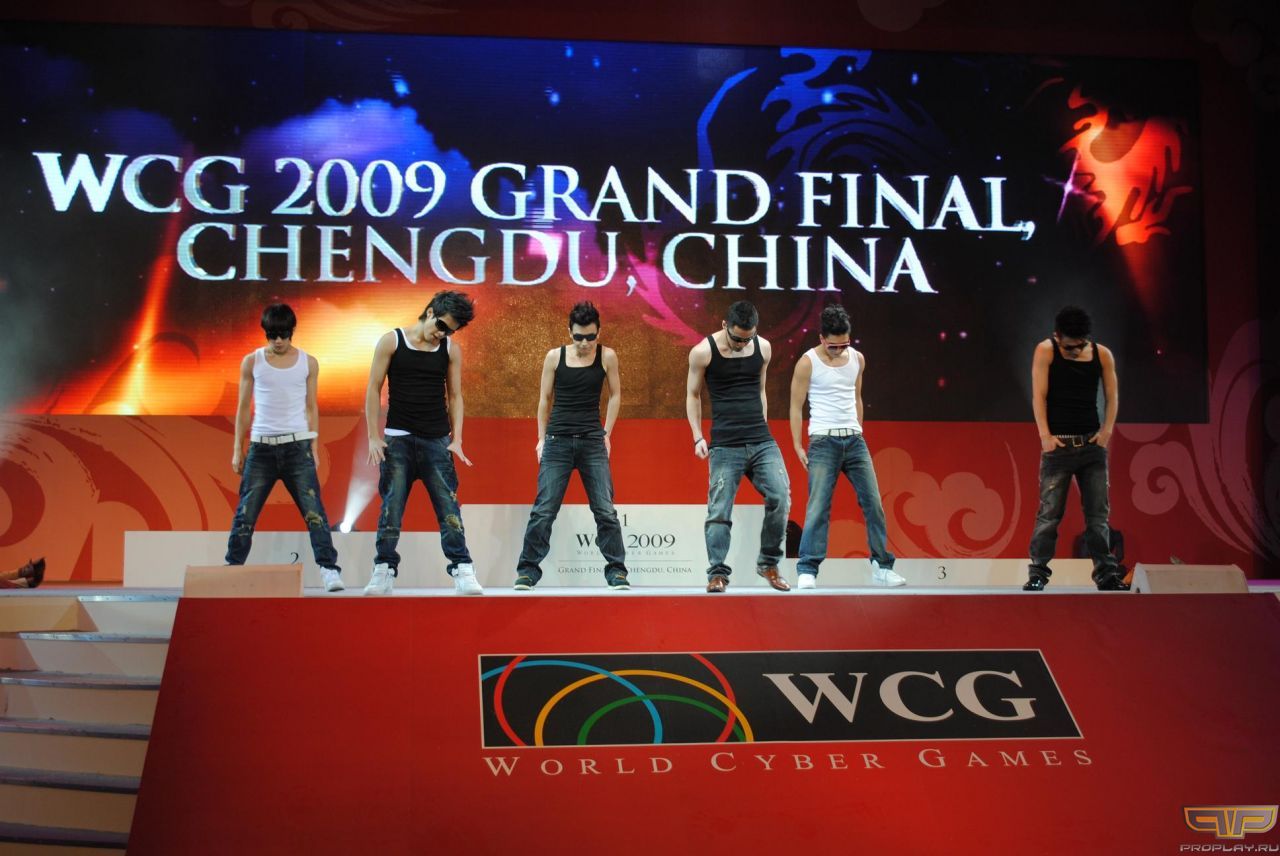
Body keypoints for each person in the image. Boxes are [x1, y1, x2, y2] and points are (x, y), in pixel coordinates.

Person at [364, 290, 482, 596]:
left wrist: (457, 439)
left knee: (448, 508)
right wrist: (373, 437)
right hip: (398, 441)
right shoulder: (392, 341)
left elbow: (455, 396)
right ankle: (383, 569)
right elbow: (373, 388)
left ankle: (462, 569)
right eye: (441, 325)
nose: (442, 334)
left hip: (437, 441)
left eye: (450, 331)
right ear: (430, 312)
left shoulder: (450, 350)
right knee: (391, 508)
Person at [226, 304, 343, 592]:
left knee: (314, 512)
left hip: (297, 448)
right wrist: (238, 448)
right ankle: (232, 568)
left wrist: (313, 445)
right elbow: (243, 408)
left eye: (283, 335)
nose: (278, 341)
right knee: (245, 513)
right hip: (261, 448)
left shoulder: (308, 362)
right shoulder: (252, 361)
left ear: (292, 332)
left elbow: (311, 407)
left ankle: (329, 570)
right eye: (272, 335)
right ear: (265, 333)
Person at [514, 302, 628, 591]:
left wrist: (607, 432)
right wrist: (541, 438)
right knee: (544, 510)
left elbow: (615, 395)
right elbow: (544, 400)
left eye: (590, 337)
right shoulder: (555, 357)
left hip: (592, 441)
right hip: (557, 441)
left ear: (598, 332)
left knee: (605, 510)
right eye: (579, 337)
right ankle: (527, 571)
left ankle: (617, 572)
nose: (585, 343)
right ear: (569, 332)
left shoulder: (607, 356)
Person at [789, 304, 904, 589]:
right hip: (822, 441)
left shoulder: (857, 359)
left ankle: (882, 566)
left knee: (874, 503)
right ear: (821, 338)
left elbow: (857, 397)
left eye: (844, 344)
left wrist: (858, 430)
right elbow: (795, 405)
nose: (839, 350)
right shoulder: (807, 363)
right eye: (833, 346)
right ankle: (807, 569)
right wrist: (798, 445)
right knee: (818, 506)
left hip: (854, 441)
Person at [687, 300, 790, 593]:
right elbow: (693, 395)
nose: (742, 344)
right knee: (719, 510)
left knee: (781, 497)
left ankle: (768, 563)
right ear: (725, 326)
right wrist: (697, 436)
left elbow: (761, 389)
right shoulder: (703, 352)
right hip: (725, 444)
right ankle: (717, 573)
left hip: (761, 440)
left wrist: (762, 426)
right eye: (737, 339)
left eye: (748, 339)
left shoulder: (763, 348)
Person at [1024, 305, 1128, 591]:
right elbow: (1038, 395)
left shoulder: (1101, 354)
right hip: (1058, 447)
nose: (1074, 351)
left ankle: (1106, 575)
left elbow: (1112, 396)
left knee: (1098, 517)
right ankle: (1037, 574)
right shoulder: (1046, 351)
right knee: (1049, 515)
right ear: (1057, 336)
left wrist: (1106, 432)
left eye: (1079, 346)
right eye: (1068, 347)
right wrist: (1045, 435)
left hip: (1091, 446)